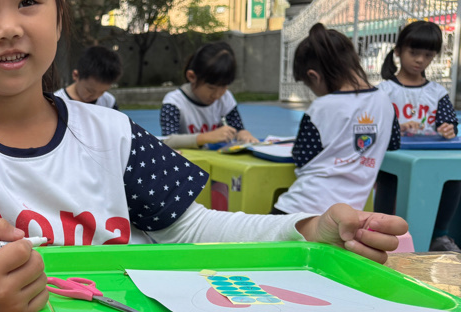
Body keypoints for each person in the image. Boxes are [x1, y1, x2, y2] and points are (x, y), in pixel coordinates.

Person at [0, 0, 408, 312]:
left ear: (58, 16)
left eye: (27, 2)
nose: (7, 27)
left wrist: (303, 230)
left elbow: (190, 230)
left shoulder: (112, 132)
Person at [273, 23, 400, 216]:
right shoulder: (385, 102)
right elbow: (393, 143)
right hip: (347, 215)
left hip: (300, 208)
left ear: (314, 76)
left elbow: (302, 156)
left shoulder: (321, 107)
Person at [376, 20, 461, 251]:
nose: (420, 60)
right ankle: (382, 234)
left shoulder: (437, 92)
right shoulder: (385, 90)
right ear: (398, 51)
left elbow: (449, 123)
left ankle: (439, 236)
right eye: (414, 53)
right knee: (389, 186)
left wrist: (448, 129)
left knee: (453, 179)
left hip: (430, 157)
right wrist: (398, 127)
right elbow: (376, 124)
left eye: (428, 55)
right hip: (395, 158)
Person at [159, 41, 257, 148]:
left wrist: (243, 133)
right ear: (192, 77)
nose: (217, 95)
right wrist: (205, 137)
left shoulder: (225, 98)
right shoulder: (174, 102)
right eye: (211, 88)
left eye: (224, 87)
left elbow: (237, 128)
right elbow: (167, 140)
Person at [53, 45, 120, 108]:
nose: (95, 96)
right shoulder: (56, 102)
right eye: (90, 91)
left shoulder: (108, 102)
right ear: (76, 75)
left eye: (102, 92)